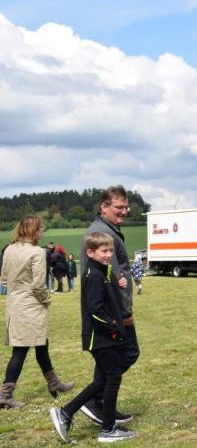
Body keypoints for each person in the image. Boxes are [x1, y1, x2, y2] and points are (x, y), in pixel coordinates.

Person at [50, 231, 135, 443]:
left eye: (110, 251)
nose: (108, 255)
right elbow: (95, 309)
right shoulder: (94, 275)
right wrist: (114, 327)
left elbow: (107, 298)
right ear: (90, 252)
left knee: (101, 380)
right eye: (104, 251)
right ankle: (107, 430)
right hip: (101, 338)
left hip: (106, 337)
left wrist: (118, 284)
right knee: (112, 378)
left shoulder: (102, 271)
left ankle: (66, 412)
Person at [77, 186, 138, 426]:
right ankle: (94, 400)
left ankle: (101, 403)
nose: (124, 211)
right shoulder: (102, 234)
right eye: (118, 207)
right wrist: (124, 314)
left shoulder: (106, 229)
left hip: (113, 310)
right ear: (103, 207)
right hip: (114, 313)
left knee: (112, 362)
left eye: (126, 207)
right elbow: (111, 278)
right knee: (128, 353)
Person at [0, 216, 74, 409]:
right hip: (31, 305)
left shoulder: (8, 249)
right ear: (34, 231)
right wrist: (47, 300)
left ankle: (53, 382)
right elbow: (39, 286)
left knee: (42, 344)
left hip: (14, 304)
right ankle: (5, 394)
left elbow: (4, 278)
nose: (43, 232)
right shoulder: (37, 252)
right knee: (21, 349)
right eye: (41, 229)